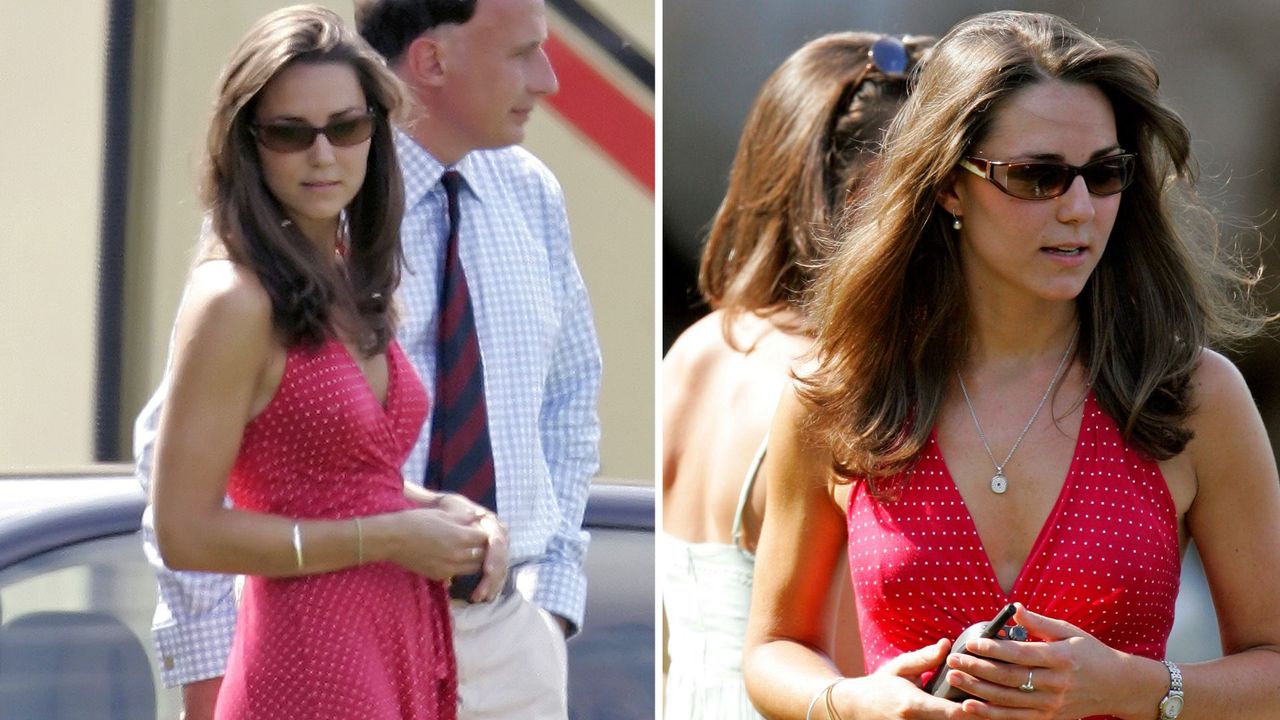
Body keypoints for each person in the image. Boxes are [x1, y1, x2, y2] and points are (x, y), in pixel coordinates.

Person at [743, 10, 1280, 720]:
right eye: (1037, 177)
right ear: (948, 186)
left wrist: (1137, 687)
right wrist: (849, 703)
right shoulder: (843, 395)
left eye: (1105, 173)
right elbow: (773, 646)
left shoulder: (1192, 395)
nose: (1080, 208)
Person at [135, 0, 602, 718]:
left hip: (493, 631)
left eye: (348, 129)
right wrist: (206, 668)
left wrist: (545, 593)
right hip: (319, 644)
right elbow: (183, 497)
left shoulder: (362, 258)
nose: (324, 154)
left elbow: (571, 401)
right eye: (291, 134)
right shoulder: (246, 277)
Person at [662, 31, 933, 719]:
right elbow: (856, 661)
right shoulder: (841, 389)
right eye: (934, 187)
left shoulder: (697, 349)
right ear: (872, 194)